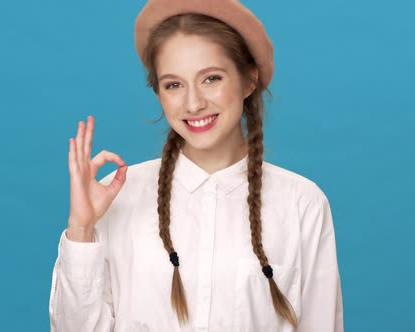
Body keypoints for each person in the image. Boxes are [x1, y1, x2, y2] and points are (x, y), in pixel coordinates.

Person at [48, 0, 344, 331]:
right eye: (173, 84)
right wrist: (81, 229)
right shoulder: (118, 195)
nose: (193, 103)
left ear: (248, 80)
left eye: (211, 78)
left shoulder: (302, 202)